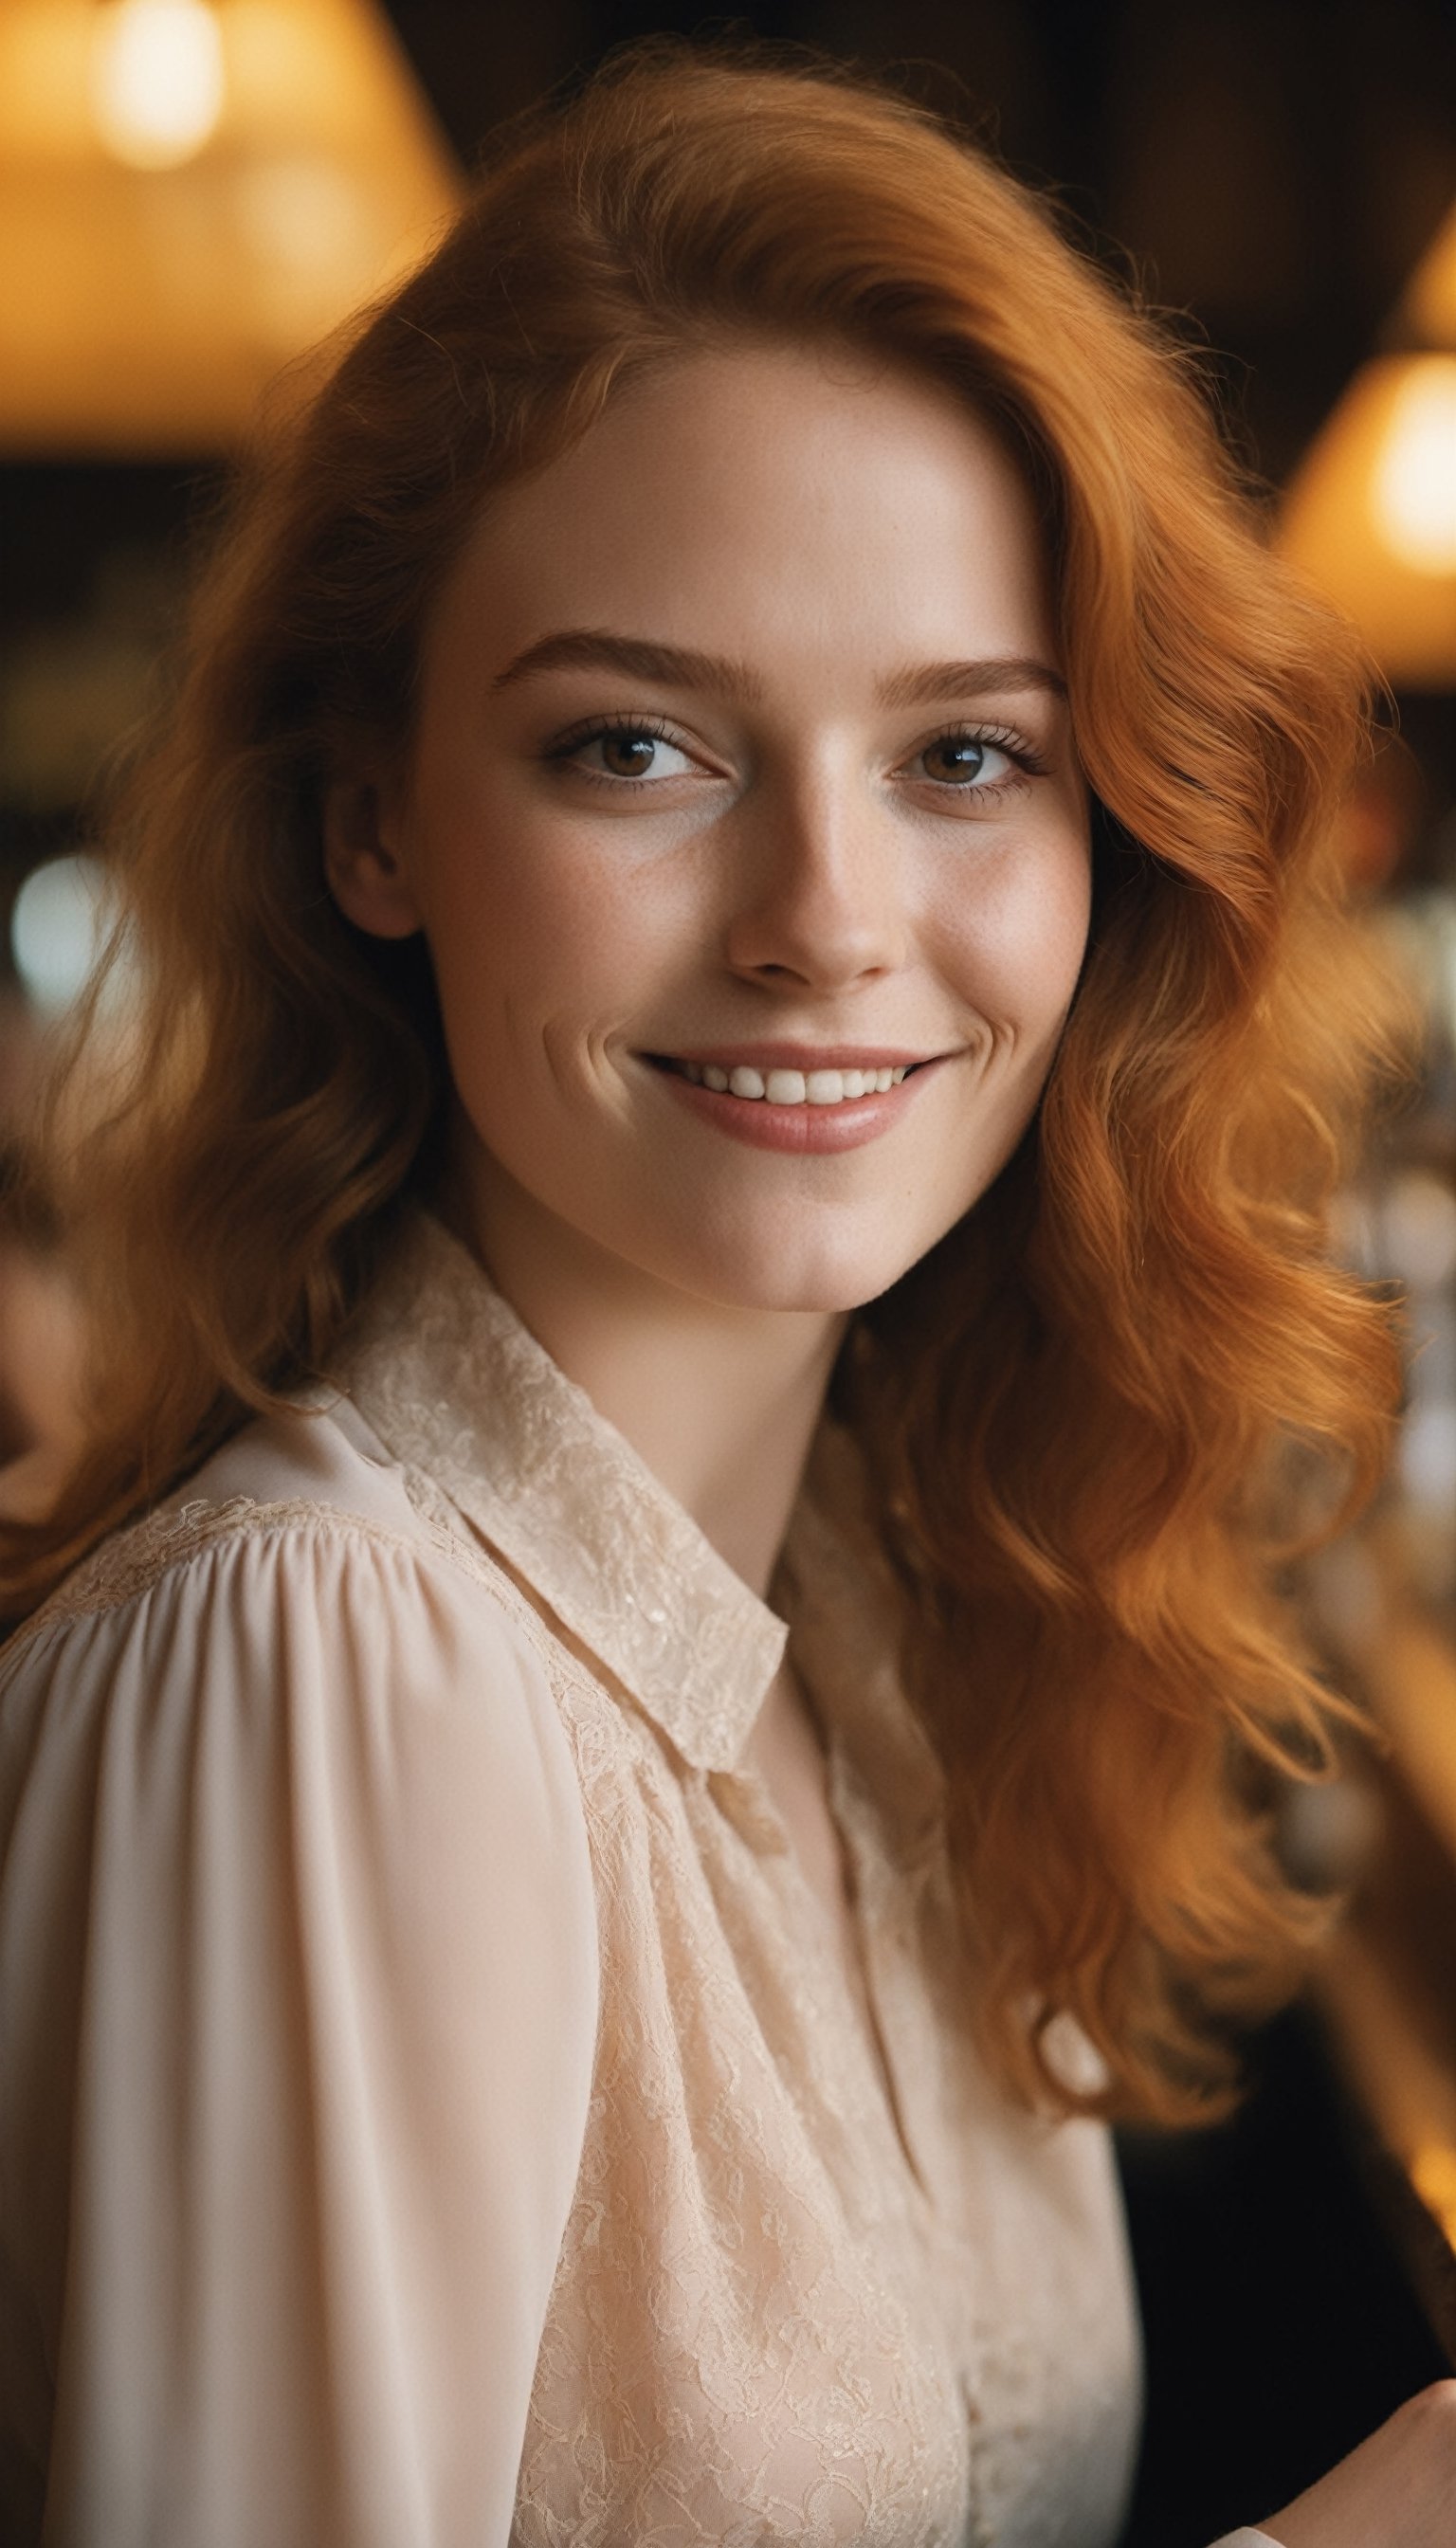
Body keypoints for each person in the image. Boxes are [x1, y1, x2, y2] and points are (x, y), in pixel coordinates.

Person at [0, 41, 1451, 2548]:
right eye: (638, 749)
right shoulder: (326, 1659)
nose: (820, 921)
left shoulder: (889, 1610)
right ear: (376, 818)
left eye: (965, 759)